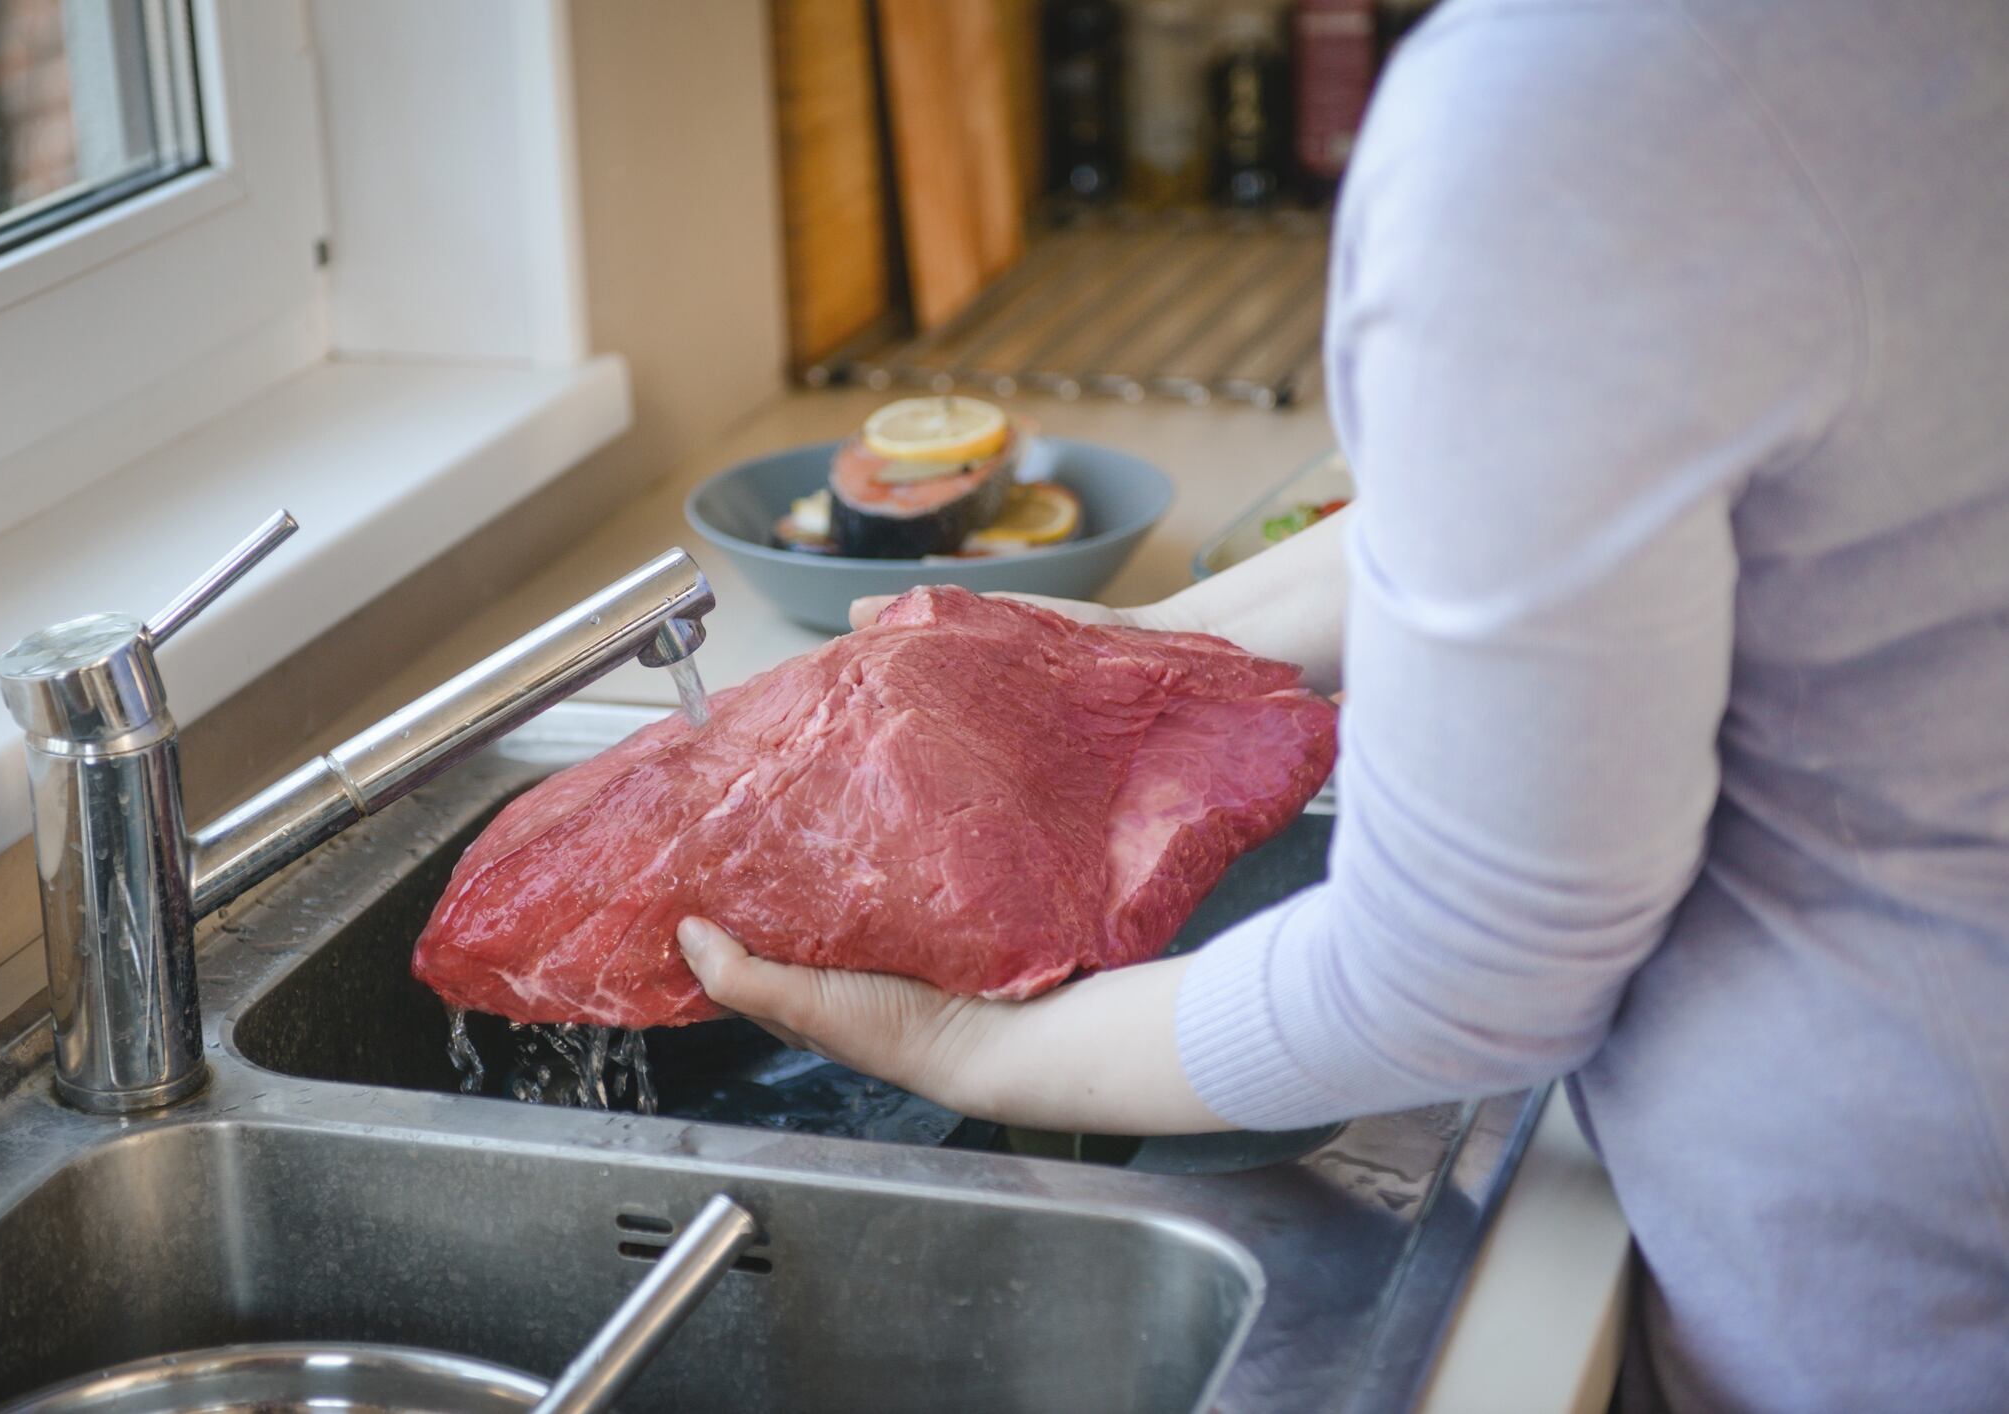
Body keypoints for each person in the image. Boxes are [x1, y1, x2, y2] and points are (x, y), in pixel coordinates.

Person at [680, 1, 2009, 1408]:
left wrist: (969, 1049)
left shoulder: (1571, 104)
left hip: (1901, 1289)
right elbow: (1593, 502)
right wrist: (1156, 644)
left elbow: (1472, 972)